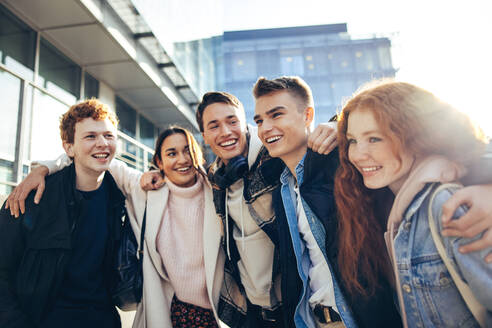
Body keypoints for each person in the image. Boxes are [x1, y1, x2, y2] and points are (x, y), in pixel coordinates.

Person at [8, 126, 225, 328]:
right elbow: (91, 158)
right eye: (171, 153)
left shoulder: (217, 190)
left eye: (188, 151)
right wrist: (44, 169)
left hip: (222, 312)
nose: (182, 159)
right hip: (170, 312)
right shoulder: (146, 191)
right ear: (159, 161)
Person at [334, 80, 492, 327]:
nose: (357, 154)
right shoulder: (392, 205)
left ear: (416, 137)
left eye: (374, 139)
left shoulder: (446, 204)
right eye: (353, 140)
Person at [253, 76, 401, 328]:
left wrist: (340, 126)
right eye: (259, 120)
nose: (265, 128)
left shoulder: (345, 165)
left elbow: (394, 116)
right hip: (316, 321)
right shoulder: (281, 189)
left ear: (307, 115)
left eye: (276, 115)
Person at [0, 99, 124, 328]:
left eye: (108, 135)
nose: (102, 144)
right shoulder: (30, 197)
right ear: (68, 148)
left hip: (102, 320)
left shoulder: (121, 198)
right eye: (90, 136)